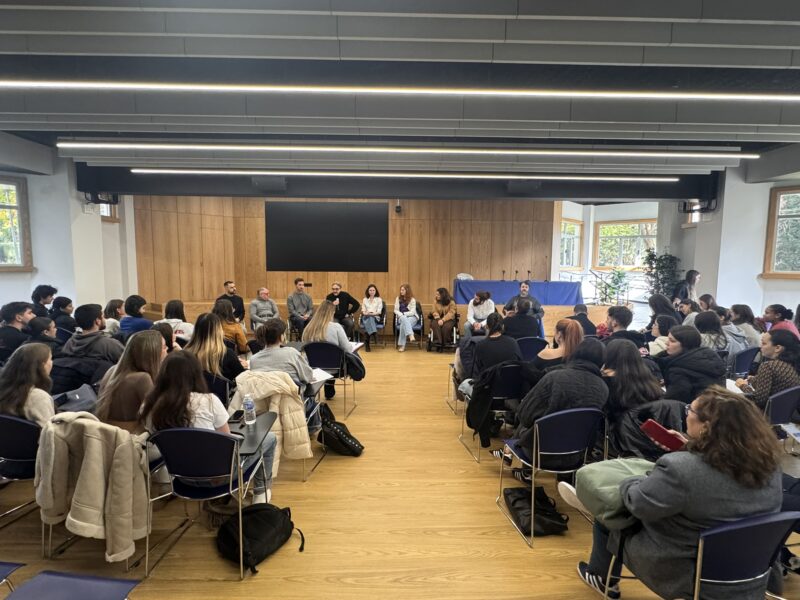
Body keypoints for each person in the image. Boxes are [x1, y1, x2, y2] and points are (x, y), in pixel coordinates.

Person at [575, 388, 781, 600]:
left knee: (611, 511)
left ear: (706, 427)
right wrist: (690, 449)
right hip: (748, 571)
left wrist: (633, 480)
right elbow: (716, 479)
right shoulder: (770, 466)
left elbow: (637, 503)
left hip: (687, 569)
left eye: (689, 409)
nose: (686, 414)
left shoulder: (680, 470)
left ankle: (601, 578)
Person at [140, 351, 277, 505]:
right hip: (219, 477)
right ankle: (261, 492)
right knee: (269, 438)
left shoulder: (149, 406)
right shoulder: (209, 401)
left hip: (179, 477)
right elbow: (228, 444)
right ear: (196, 374)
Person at [513, 338, 608, 454]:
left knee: (529, 422)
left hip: (540, 451)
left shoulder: (553, 377)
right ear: (602, 362)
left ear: (576, 353)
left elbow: (524, 416)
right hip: (577, 454)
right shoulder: (603, 388)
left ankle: (522, 467)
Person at [96, 330, 165, 432]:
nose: (167, 350)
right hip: (129, 439)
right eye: (164, 347)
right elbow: (158, 416)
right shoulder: (142, 378)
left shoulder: (112, 370)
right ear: (152, 352)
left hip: (106, 434)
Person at [656, 325, 726, 403]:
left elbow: (673, 402)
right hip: (717, 407)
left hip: (697, 410)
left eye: (672, 341)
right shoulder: (709, 358)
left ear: (685, 344)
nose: (666, 343)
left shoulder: (678, 370)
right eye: (667, 339)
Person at [602, 339, 663, 425]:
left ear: (608, 355)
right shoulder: (648, 378)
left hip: (616, 430)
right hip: (643, 430)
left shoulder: (605, 380)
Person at [735, 330, 800, 408]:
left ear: (778, 348)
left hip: (763, 414)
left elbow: (757, 401)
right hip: (783, 412)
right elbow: (775, 384)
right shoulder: (792, 364)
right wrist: (755, 379)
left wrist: (742, 385)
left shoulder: (769, 366)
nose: (760, 346)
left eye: (764, 343)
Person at [0, 343, 54, 428]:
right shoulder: (39, 398)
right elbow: (48, 436)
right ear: (42, 365)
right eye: (50, 359)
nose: (52, 363)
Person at [250, 319, 313, 387]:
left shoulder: (253, 360)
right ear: (281, 336)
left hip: (265, 396)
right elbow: (308, 377)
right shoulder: (291, 353)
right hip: (291, 396)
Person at [185, 313, 246, 383]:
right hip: (224, 393)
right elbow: (242, 379)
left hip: (192, 393)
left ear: (196, 330)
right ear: (219, 331)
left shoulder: (185, 355)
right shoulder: (228, 354)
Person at [429, 287, 456, 352]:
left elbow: (451, 312)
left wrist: (443, 320)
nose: (436, 296)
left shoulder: (451, 301)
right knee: (435, 325)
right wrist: (438, 319)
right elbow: (433, 311)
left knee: (446, 327)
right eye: (436, 294)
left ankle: (444, 343)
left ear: (443, 295)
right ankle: (439, 343)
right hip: (437, 318)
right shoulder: (435, 301)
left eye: (438, 294)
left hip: (449, 319)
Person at [393, 284, 418, 352]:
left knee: (402, 325)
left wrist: (404, 314)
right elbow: (395, 310)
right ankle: (411, 335)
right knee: (403, 321)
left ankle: (402, 346)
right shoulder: (398, 298)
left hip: (412, 317)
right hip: (401, 317)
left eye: (403, 290)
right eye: (401, 290)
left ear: (407, 290)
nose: (401, 291)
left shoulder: (412, 299)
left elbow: (412, 312)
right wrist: (401, 315)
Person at [360, 284, 384, 352]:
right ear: (368, 291)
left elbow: (379, 312)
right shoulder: (365, 299)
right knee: (369, 319)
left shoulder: (379, 299)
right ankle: (374, 333)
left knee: (370, 319)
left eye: (373, 290)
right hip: (366, 317)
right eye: (370, 290)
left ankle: (367, 344)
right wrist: (366, 313)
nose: (372, 291)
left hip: (375, 317)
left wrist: (371, 314)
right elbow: (363, 310)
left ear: (376, 291)